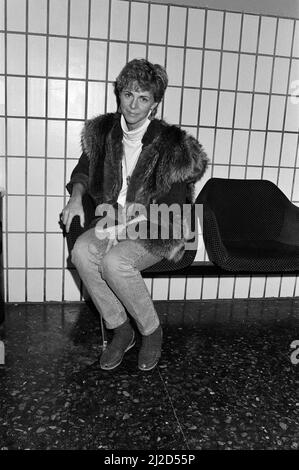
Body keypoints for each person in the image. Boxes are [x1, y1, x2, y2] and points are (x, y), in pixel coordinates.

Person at [61, 58, 208, 372]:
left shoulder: (170, 144)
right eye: (129, 95)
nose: (134, 105)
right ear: (120, 94)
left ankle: (151, 330)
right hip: (111, 219)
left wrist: (123, 226)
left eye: (144, 98)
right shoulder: (103, 132)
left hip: (158, 223)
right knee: (83, 253)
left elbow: (169, 202)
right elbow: (83, 171)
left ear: (154, 104)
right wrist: (75, 199)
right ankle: (121, 329)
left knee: (115, 262)